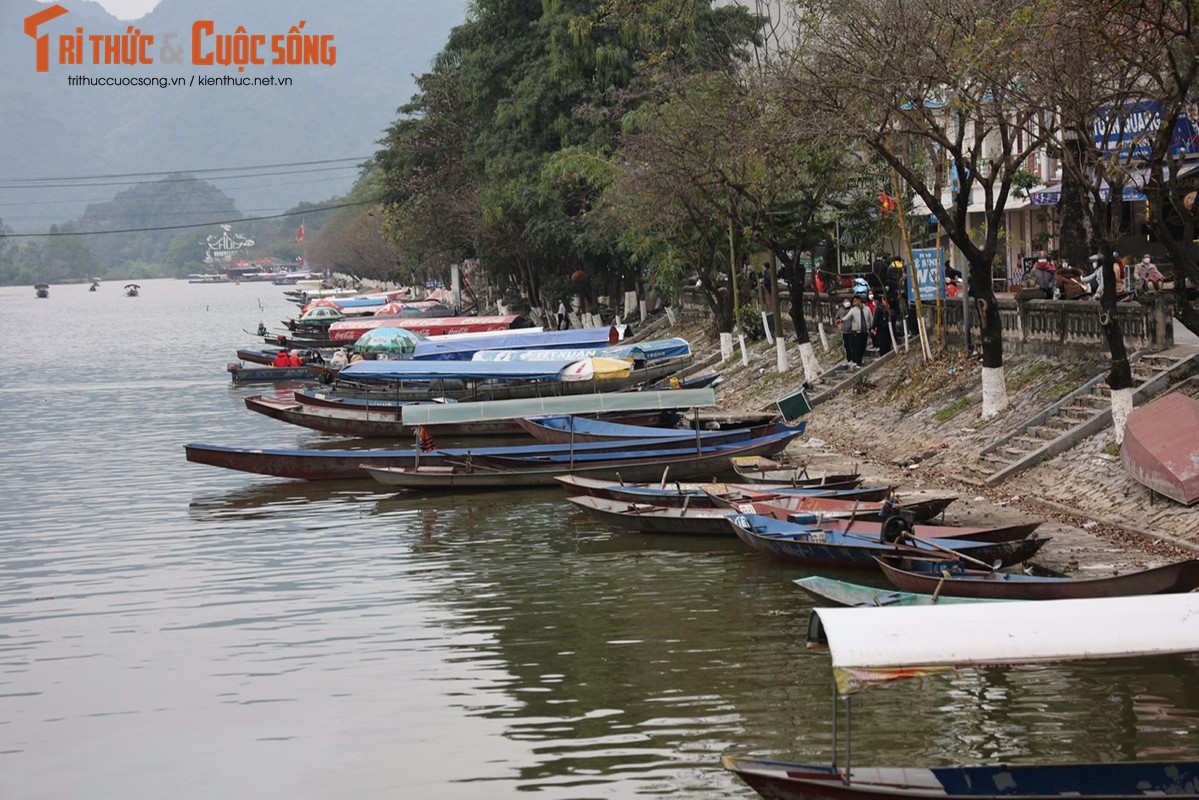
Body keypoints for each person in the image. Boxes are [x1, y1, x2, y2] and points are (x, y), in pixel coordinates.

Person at [838, 294, 873, 368]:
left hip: (865, 331)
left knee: (863, 346)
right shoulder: (853, 310)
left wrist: (872, 327)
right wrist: (841, 320)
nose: (853, 303)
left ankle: (859, 360)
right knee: (857, 347)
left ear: (859, 300)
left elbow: (870, 318)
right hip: (857, 332)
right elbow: (847, 317)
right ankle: (858, 361)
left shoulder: (867, 309)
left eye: (855, 301)